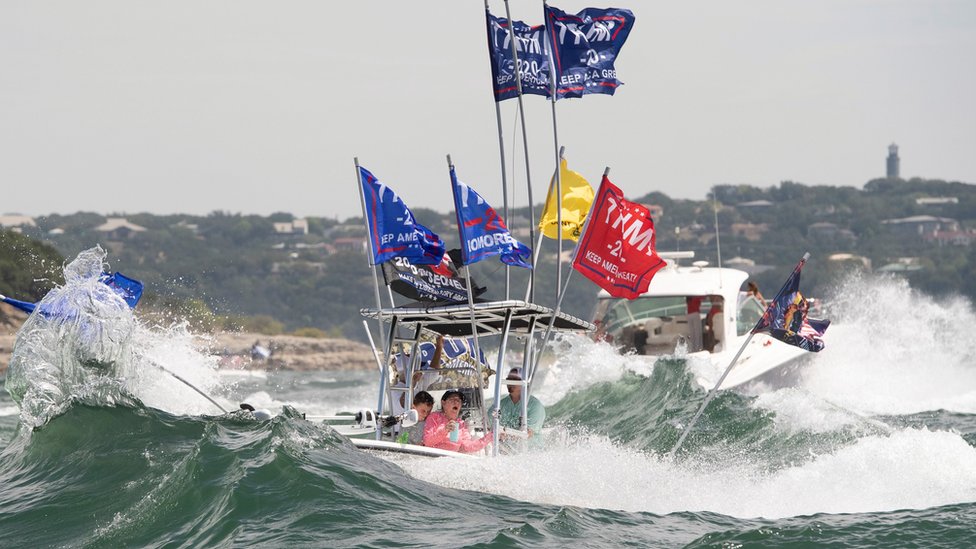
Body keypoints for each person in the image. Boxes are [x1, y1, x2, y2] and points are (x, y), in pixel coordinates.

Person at [488, 368, 545, 449]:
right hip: (505, 453)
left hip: (531, 453)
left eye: (514, 379)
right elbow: (488, 425)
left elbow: (527, 434)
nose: (510, 383)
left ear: (523, 382)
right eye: (509, 379)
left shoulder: (535, 406)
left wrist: (504, 435)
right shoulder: (499, 405)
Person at [423, 390, 492, 454]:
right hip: (434, 457)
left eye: (458, 400)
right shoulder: (434, 417)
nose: (456, 402)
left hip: (452, 459)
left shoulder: (461, 424)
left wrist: (490, 436)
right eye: (452, 400)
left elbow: (469, 446)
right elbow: (427, 442)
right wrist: (445, 430)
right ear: (443, 403)